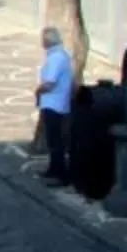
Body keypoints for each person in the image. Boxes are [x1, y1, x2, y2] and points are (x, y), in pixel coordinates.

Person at [35, 25, 75, 184]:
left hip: (53, 104)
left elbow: (49, 83)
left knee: (55, 141)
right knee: (54, 141)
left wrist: (38, 90)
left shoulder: (55, 58)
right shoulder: (62, 55)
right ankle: (53, 169)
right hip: (58, 103)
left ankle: (60, 173)